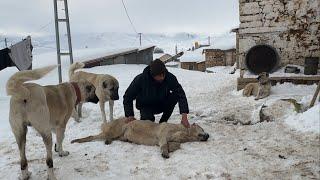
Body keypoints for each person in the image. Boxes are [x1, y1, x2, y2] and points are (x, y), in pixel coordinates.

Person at [123, 59, 190, 128]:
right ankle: (148, 120)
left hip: (161, 103)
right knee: (148, 127)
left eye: (163, 75)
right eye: (159, 76)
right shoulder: (141, 79)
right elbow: (128, 97)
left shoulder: (169, 77)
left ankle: (163, 122)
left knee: (175, 96)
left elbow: (180, 94)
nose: (162, 77)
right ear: (153, 75)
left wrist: (184, 117)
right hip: (146, 106)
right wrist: (130, 116)